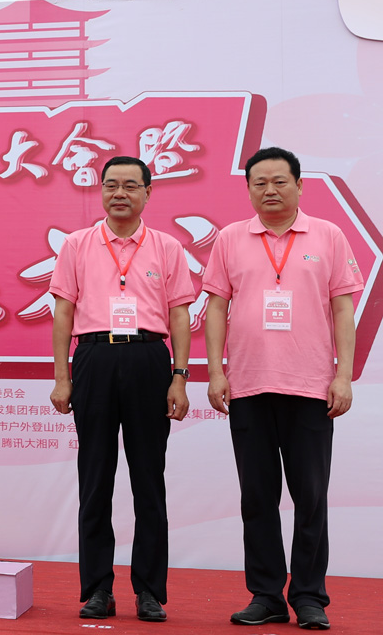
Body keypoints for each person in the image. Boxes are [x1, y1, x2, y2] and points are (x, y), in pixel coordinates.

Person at [203, 148, 361, 630]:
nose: (270, 190)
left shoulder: (328, 235)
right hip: (249, 385)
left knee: (310, 497)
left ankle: (309, 596)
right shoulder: (230, 238)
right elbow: (215, 308)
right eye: (260, 183)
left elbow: (343, 309)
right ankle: (266, 594)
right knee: (257, 497)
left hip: (311, 387)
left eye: (279, 181)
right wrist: (216, 372)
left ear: (299, 185)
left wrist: (342, 375)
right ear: (249, 189)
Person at [49, 155, 194, 622]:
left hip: (150, 359)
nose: (120, 193)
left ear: (148, 193)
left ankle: (150, 591)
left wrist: (179, 376)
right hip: (93, 357)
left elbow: (179, 315)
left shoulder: (168, 247)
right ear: (101, 191)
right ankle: (97, 589)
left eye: (131, 185)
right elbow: (63, 314)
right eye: (111, 185)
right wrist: (62, 377)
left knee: (149, 480)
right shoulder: (77, 244)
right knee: (95, 479)